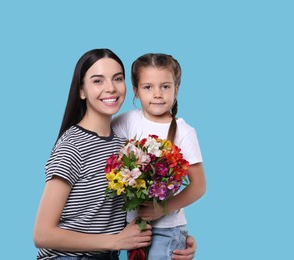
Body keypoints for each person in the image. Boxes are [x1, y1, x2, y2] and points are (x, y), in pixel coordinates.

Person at [33, 48, 197, 260]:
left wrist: (175, 240)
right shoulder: (72, 146)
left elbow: (138, 208)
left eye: (117, 79)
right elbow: (42, 234)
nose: (110, 88)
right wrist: (115, 241)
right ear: (81, 91)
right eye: (98, 81)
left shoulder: (127, 144)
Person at [112, 53, 206, 259]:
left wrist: (162, 210)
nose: (157, 94)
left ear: (177, 89)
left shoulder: (184, 132)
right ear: (136, 91)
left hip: (167, 230)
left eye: (165, 86)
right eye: (148, 87)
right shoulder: (126, 120)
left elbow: (198, 186)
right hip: (134, 230)